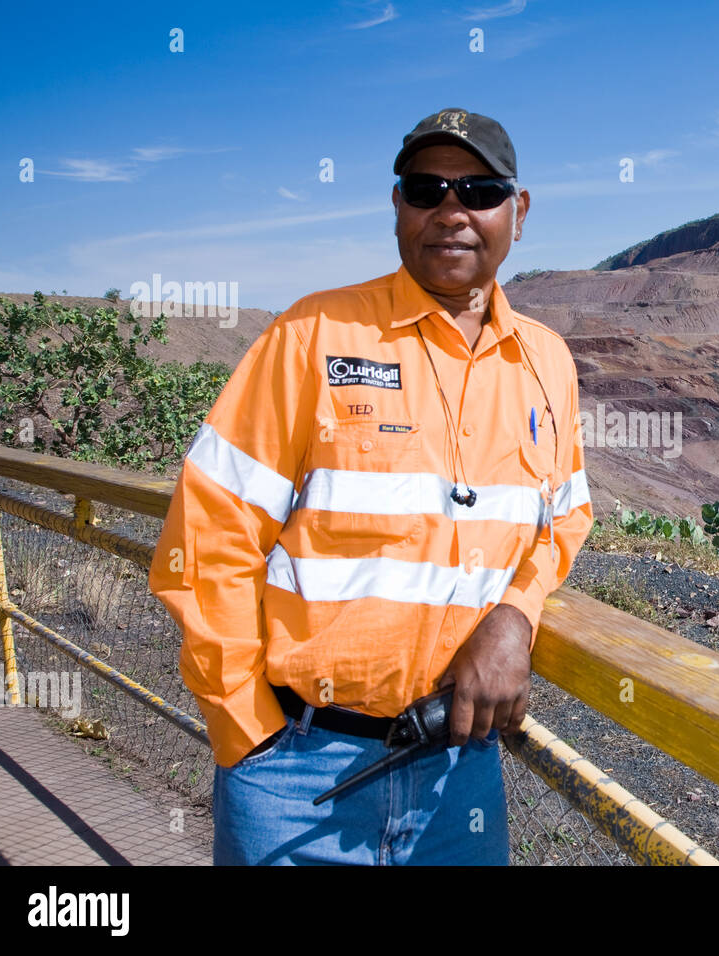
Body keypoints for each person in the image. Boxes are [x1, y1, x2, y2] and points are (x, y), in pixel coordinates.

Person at [149, 108, 593, 865]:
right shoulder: (311, 336)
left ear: (517, 213)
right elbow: (209, 534)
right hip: (293, 767)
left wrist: (516, 615)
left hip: (457, 773)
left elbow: (564, 516)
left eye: (479, 190)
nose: (452, 211)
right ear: (398, 206)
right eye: (427, 189)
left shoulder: (547, 363)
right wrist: (244, 729)